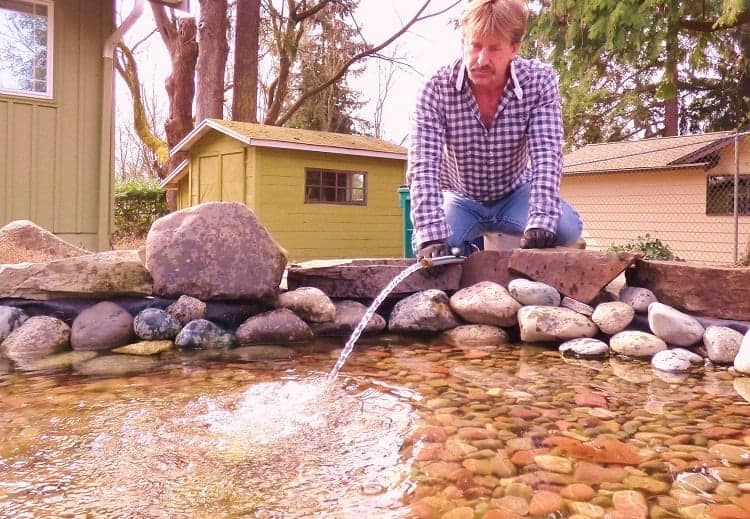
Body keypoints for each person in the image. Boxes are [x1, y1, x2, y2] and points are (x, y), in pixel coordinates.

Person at [407, 0, 583, 261]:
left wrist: (541, 220)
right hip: (460, 198)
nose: (481, 59)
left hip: (516, 194)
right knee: (437, 248)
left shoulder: (539, 82)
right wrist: (431, 233)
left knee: (565, 229)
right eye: (475, 46)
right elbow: (423, 164)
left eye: (494, 49)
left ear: (514, 48)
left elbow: (547, 155)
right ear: (463, 42)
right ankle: (467, 261)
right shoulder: (435, 88)